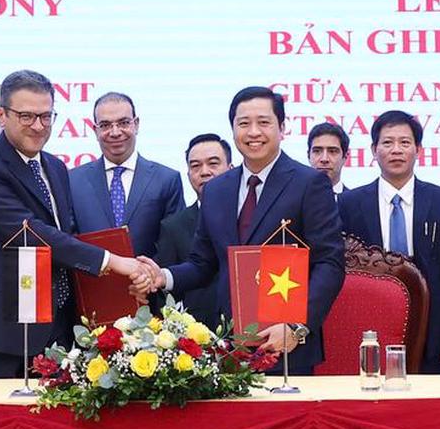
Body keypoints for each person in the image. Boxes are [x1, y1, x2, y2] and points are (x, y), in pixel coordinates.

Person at [0, 70, 150, 377]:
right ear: (1, 115)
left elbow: (65, 235)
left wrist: (129, 279)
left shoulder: (55, 167)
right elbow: (28, 232)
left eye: (46, 116)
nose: (38, 126)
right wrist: (113, 261)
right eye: (26, 116)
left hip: (54, 329)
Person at [140, 87, 346, 370]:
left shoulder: (309, 183)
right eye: (244, 123)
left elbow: (329, 263)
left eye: (263, 122)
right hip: (228, 345)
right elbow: (203, 263)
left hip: (284, 344)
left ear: (282, 128)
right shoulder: (216, 190)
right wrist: (163, 276)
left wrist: (297, 326)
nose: (253, 132)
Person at [338, 110, 440, 373]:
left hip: (430, 326)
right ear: (374, 150)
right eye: (387, 143)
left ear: (418, 150)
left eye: (405, 142)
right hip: (369, 324)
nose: (396, 150)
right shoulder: (351, 203)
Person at [69, 91, 185, 256]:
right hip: (92, 272)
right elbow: (69, 240)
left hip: (150, 272)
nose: (115, 132)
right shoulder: (73, 181)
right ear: (95, 130)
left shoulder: (166, 179)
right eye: (105, 125)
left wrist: (147, 271)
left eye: (123, 123)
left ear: (136, 124)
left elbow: (175, 243)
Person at [152, 133, 233, 325]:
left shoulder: (249, 215)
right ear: (188, 174)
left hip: (249, 330)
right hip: (196, 334)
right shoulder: (173, 226)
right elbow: (165, 297)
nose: (204, 172)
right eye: (195, 166)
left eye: (213, 163)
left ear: (231, 169)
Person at [307, 122, 350, 199]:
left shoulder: (357, 203)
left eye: (332, 151)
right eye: (317, 151)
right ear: (308, 155)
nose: (324, 159)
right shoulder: (292, 200)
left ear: (345, 157)